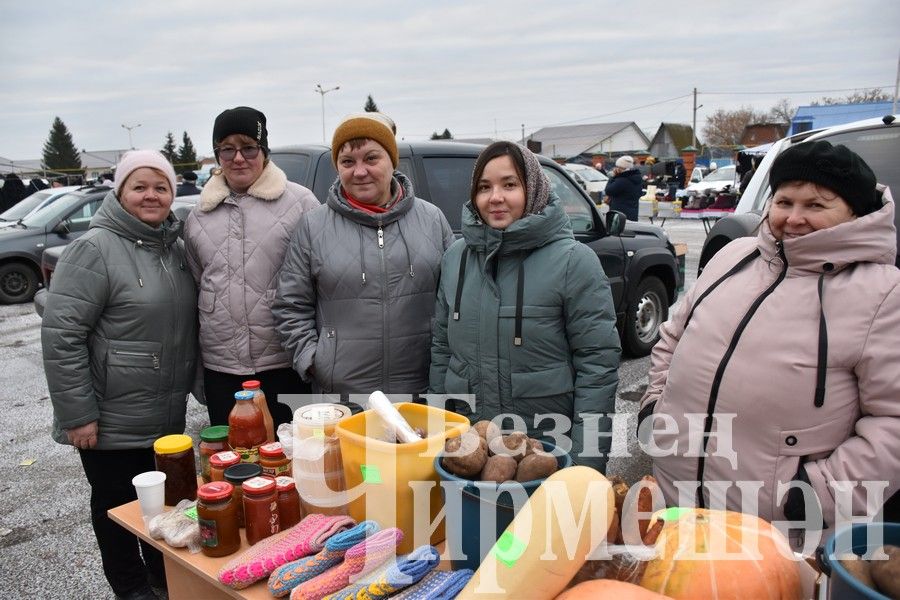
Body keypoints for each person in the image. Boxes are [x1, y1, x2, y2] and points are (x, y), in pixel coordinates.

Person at [639, 141, 900, 544]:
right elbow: (673, 337)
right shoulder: (734, 257)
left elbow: (892, 422)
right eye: (784, 201)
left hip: (773, 529)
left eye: (816, 205)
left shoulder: (883, 294)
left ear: (855, 212)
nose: (794, 219)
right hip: (678, 502)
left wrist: (818, 493)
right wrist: (655, 407)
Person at [42, 150, 198, 600]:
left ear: (173, 193)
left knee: (163, 506)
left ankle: (161, 578)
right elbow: (62, 335)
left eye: (161, 187)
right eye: (140, 186)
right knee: (116, 508)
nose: (151, 196)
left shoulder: (175, 249)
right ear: (120, 191)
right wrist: (77, 415)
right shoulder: (94, 248)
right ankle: (130, 588)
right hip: (107, 418)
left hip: (162, 415)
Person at [429, 141, 621, 472]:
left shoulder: (574, 262)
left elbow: (597, 369)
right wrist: (438, 434)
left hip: (545, 453)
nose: (495, 197)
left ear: (533, 189)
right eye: (484, 187)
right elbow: (442, 350)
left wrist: (585, 466)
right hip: (471, 455)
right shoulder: (455, 259)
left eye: (510, 184)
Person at [273, 112, 454, 402]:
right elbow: (290, 306)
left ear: (391, 161)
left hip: (422, 390)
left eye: (371, 158)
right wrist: (314, 361)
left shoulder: (432, 220)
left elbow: (454, 301)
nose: (359, 171)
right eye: (347, 162)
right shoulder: (313, 226)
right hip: (341, 396)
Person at [184, 106, 319, 427]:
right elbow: (196, 282)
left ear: (264, 151)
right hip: (223, 368)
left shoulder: (300, 204)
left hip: (285, 362)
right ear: (217, 156)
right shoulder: (199, 215)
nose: (238, 158)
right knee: (233, 462)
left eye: (248, 147)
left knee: (292, 459)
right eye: (226, 149)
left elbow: (319, 282)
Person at [604, 155, 642, 221]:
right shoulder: (636, 178)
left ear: (621, 168)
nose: (616, 168)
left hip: (620, 216)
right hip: (632, 214)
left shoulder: (622, 180)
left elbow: (608, 190)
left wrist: (613, 177)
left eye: (617, 167)